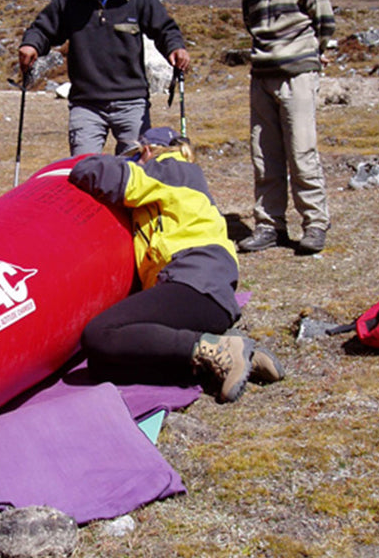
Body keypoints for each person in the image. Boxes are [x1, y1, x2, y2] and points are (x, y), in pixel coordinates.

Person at [68, 126, 284, 403]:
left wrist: (75, 164)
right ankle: (228, 352)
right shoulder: (183, 175)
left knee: (100, 335)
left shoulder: (168, 169)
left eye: (137, 155)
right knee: (103, 364)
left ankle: (213, 348)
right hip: (203, 292)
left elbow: (99, 174)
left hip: (194, 280)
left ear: (146, 151)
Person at [18, 0, 190, 156]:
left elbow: (165, 29)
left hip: (132, 102)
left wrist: (175, 47)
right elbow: (42, 29)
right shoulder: (70, 0)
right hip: (86, 104)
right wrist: (31, 45)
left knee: (136, 170)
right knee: (85, 171)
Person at [231, 0, 335, 255]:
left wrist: (307, 57)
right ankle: (269, 225)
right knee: (264, 154)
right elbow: (252, 27)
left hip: (297, 75)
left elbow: (324, 23)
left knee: (301, 150)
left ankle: (315, 223)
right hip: (261, 78)